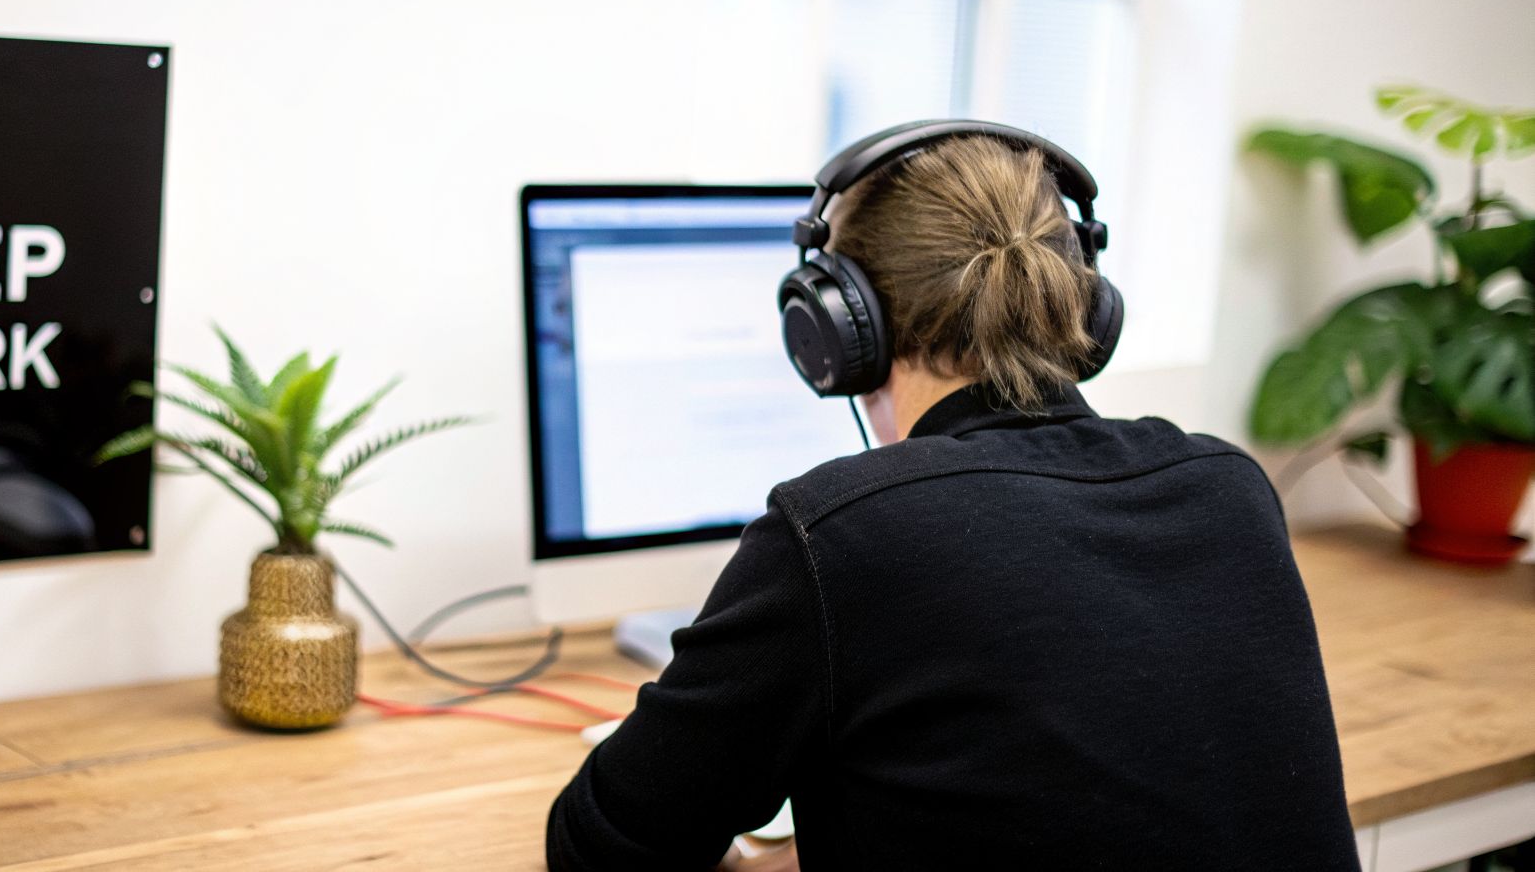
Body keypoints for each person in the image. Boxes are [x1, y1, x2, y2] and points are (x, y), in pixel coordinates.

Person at [544, 132, 1358, 870]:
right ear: (1084, 303)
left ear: (838, 328)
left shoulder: (845, 532)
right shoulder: (1228, 485)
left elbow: (603, 849)